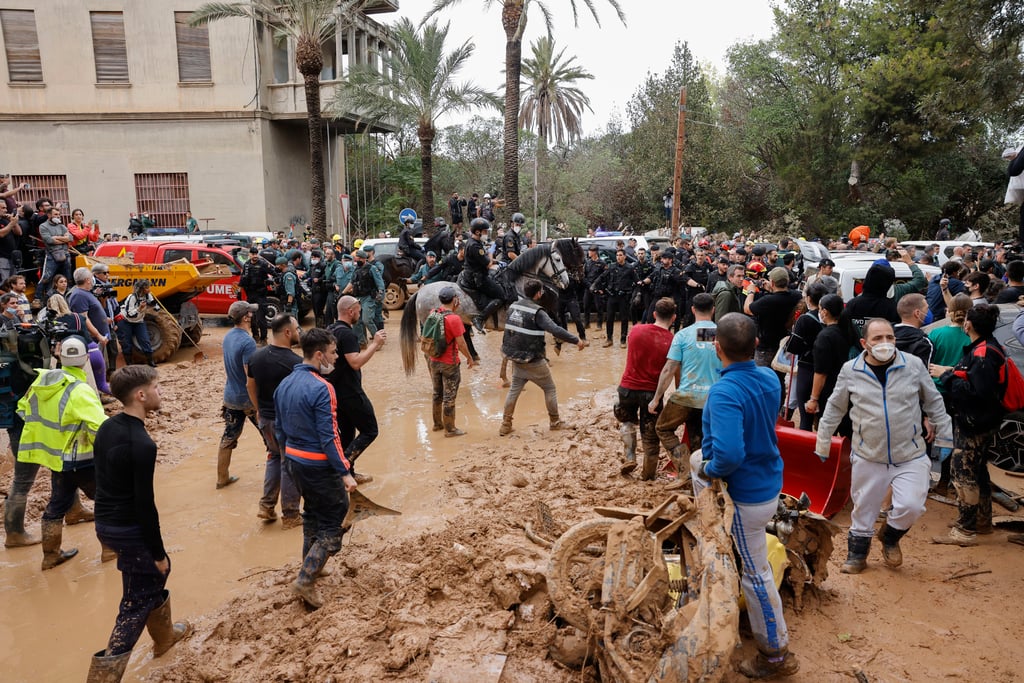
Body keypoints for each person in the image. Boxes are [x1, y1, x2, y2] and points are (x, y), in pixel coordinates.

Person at [690, 313, 799, 679]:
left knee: (756, 574)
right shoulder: (770, 376)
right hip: (768, 480)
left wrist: (710, 470)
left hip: (745, 497)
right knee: (695, 460)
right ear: (755, 345)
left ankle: (776, 654)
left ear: (716, 347)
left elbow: (730, 455)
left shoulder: (723, 392)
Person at [814, 318, 953, 575]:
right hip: (869, 454)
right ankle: (857, 553)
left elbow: (933, 400)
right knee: (864, 507)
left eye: (889, 337)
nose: (885, 343)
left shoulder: (912, 366)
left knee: (911, 505)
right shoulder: (850, 370)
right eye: (878, 338)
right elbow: (835, 407)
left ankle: (890, 536)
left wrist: (945, 436)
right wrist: (823, 441)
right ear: (864, 343)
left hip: (909, 453)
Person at [87, 365, 191, 680]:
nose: (161, 392)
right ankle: (103, 677)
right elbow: (145, 506)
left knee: (143, 582)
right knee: (137, 600)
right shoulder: (142, 444)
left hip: (105, 524)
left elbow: (100, 478)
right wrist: (158, 553)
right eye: (156, 388)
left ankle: (165, 638)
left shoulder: (107, 427)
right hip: (129, 528)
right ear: (141, 395)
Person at [275, 327, 358, 609]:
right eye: (333, 353)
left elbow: (279, 429)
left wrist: (287, 462)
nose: (336, 358)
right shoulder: (324, 388)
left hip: (294, 462)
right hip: (318, 466)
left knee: (311, 513)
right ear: (320, 354)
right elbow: (330, 436)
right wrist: (345, 471)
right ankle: (306, 579)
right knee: (335, 522)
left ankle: (312, 563)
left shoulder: (284, 384)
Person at [16, 337, 108, 570]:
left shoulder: (43, 381)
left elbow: (23, 409)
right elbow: (100, 428)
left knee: (56, 505)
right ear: (86, 359)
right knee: (108, 502)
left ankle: (50, 555)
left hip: (56, 458)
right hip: (83, 460)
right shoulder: (80, 391)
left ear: (59, 356)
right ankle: (110, 549)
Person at [931, 305, 1007, 546]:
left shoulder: (983, 354)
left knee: (962, 473)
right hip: (983, 420)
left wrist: (947, 376)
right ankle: (982, 521)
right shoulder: (986, 348)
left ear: (968, 325)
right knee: (978, 471)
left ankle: (965, 530)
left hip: (974, 422)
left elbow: (977, 393)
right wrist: (954, 372)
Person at [498, 279, 588, 436]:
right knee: (549, 388)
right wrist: (576, 340)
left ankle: (505, 424)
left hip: (516, 358)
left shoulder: (513, 306)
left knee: (514, 390)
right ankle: (555, 422)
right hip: (533, 359)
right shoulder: (538, 312)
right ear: (538, 294)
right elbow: (555, 329)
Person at [650, 293, 722, 485]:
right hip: (713, 398)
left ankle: (684, 469)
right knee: (700, 437)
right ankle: (702, 479)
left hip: (687, 395)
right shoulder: (722, 334)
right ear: (713, 310)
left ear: (692, 309)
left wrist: (656, 398)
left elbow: (669, 369)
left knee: (663, 428)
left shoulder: (683, 335)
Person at [246, 313, 303, 528]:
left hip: (265, 418)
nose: (299, 333)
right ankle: (290, 514)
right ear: (287, 332)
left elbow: (250, 386)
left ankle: (266, 506)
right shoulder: (295, 363)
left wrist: (258, 409)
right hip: (286, 422)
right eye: (297, 329)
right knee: (289, 463)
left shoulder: (255, 357)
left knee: (273, 457)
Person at [613, 297, 676, 478]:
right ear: (673, 318)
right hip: (651, 393)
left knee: (626, 422)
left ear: (654, 314)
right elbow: (670, 371)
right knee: (650, 435)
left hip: (627, 388)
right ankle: (648, 475)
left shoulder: (636, 330)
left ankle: (630, 456)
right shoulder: (672, 340)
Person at [329, 296, 386, 484]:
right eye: (359, 312)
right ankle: (342, 466)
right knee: (370, 430)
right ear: (351, 311)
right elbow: (355, 362)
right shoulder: (347, 334)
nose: (359, 315)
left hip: (335, 393)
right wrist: (375, 344)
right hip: (350, 392)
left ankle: (349, 473)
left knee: (346, 434)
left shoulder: (330, 330)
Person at [214, 301, 260, 490]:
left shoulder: (228, 336)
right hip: (247, 398)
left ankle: (222, 478)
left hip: (230, 396)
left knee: (228, 437)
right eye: (251, 313)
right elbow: (251, 377)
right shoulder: (247, 342)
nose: (252, 315)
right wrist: (258, 405)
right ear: (246, 317)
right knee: (271, 436)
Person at [426, 287, 475, 436]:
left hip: (433, 360)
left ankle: (437, 425)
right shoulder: (454, 319)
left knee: (437, 394)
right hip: (450, 363)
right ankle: (450, 429)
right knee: (449, 397)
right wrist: (469, 357)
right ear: (455, 300)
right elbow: (461, 343)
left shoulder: (433, 313)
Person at [745, 267, 802, 385]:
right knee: (778, 380)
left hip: (766, 347)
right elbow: (783, 295)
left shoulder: (768, 301)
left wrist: (751, 291)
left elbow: (748, 309)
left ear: (772, 282)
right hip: (784, 345)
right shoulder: (796, 296)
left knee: (760, 380)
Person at [786, 282, 828, 431]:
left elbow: (793, 347)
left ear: (809, 299)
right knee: (826, 417)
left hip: (807, 368)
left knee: (806, 417)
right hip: (830, 370)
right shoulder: (834, 318)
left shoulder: (805, 319)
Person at [459, 218, 504, 333]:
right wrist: (491, 254)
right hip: (477, 278)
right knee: (501, 295)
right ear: (478, 232)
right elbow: (487, 263)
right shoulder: (475, 246)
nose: (486, 233)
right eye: (485, 231)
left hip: (474, 273)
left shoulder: (473, 242)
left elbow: (486, 260)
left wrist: (497, 261)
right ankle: (480, 318)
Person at [596, 249, 636, 348]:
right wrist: (595, 286)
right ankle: (609, 339)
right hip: (612, 296)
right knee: (609, 318)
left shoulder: (629, 268)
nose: (618, 257)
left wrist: (635, 293)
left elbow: (637, 281)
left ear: (625, 256)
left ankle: (623, 340)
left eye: (620, 255)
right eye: (617, 255)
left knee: (624, 318)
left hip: (623, 297)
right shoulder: (611, 267)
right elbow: (602, 277)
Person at [37, 206, 73, 302]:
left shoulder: (61, 226)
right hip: (52, 255)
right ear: (49, 215)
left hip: (66, 254)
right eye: (55, 214)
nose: (58, 216)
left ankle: (68, 298)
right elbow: (49, 240)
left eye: (59, 214)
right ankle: (37, 299)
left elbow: (70, 238)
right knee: (46, 278)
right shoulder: (43, 226)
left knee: (68, 278)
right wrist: (63, 239)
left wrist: (57, 238)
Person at [119, 279, 158, 367]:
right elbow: (129, 314)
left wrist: (154, 305)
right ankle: (129, 363)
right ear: (142, 289)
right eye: (147, 287)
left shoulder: (148, 295)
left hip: (139, 321)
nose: (149, 289)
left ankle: (150, 361)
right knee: (126, 342)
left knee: (145, 340)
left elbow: (154, 305)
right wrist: (139, 308)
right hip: (126, 321)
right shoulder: (132, 297)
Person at [240, 245, 274, 343]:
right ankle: (255, 336)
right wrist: (239, 291)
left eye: (256, 254)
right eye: (253, 254)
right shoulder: (246, 265)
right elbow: (242, 279)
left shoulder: (263, 264)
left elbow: (273, 273)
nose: (255, 256)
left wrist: (272, 280)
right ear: (249, 255)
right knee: (251, 317)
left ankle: (264, 338)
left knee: (261, 318)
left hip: (260, 294)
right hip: (250, 295)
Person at [894, 293, 933, 368]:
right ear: (917, 313)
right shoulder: (924, 342)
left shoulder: (886, 336)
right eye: (927, 308)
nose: (928, 312)